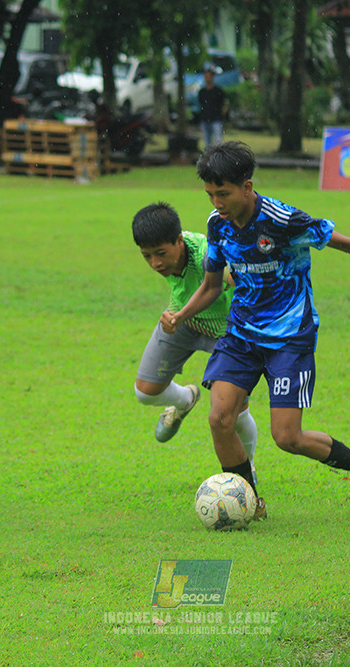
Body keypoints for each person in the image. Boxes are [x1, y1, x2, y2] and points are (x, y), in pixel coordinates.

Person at [162, 141, 350, 514]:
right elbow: (212, 286)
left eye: (224, 193)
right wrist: (180, 314)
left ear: (247, 187)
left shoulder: (282, 220)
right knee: (220, 418)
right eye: (210, 194)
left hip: (289, 337)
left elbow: (344, 244)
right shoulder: (217, 225)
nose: (216, 202)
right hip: (241, 335)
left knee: (287, 437)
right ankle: (249, 501)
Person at [132, 202, 265, 518]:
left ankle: (245, 474)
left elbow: (234, 273)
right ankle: (184, 399)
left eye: (161, 253)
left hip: (229, 333)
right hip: (183, 321)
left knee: (234, 411)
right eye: (146, 256)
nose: (155, 263)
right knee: (145, 391)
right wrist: (174, 317)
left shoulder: (208, 252)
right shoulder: (166, 258)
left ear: (179, 240)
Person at [197, 68, 226, 148]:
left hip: (216, 119)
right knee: (207, 142)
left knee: (218, 141)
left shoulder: (218, 91)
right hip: (205, 119)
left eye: (209, 76)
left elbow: (222, 105)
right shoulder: (202, 92)